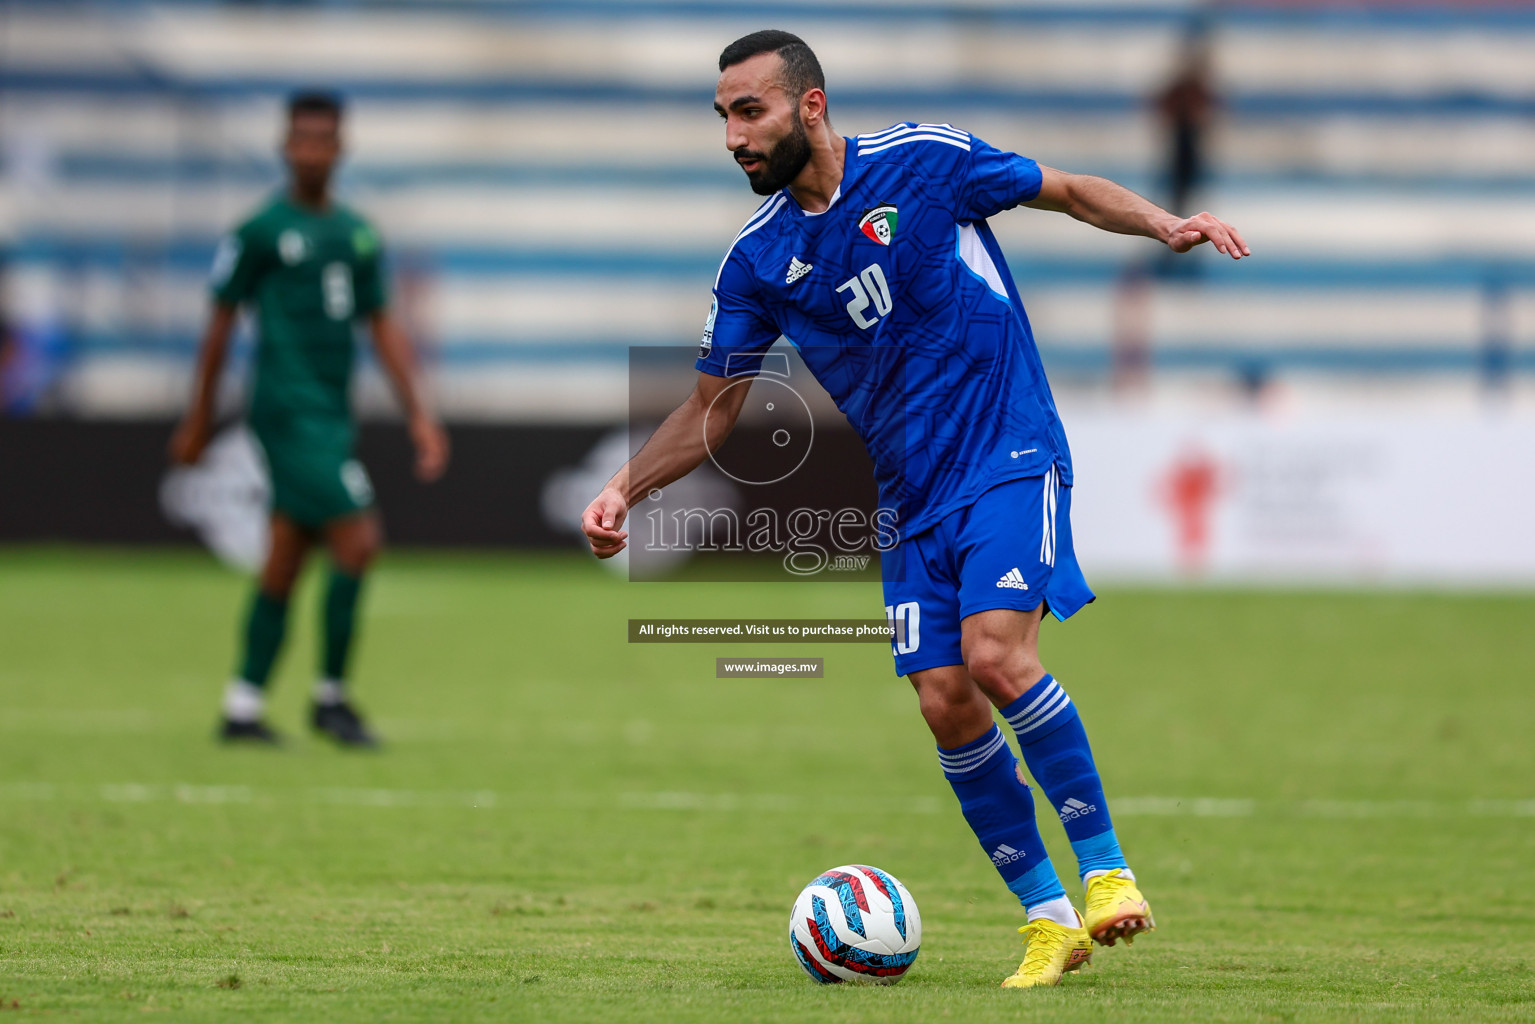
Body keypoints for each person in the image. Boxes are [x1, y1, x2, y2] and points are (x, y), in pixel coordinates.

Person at [583, 31, 1251, 987]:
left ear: (809, 106)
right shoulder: (759, 259)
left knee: (994, 654)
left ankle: (1105, 873)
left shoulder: (923, 162)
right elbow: (713, 410)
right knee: (945, 701)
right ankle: (1049, 921)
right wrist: (623, 488)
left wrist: (1163, 223)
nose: (732, 135)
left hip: (1006, 446)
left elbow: (1061, 188)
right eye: (722, 116)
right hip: (908, 497)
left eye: (748, 111)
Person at [170, 91, 449, 747]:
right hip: (285, 409)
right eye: (301, 138)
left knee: (287, 556)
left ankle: (241, 707)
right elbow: (218, 325)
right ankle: (331, 697)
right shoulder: (259, 231)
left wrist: (419, 414)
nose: (312, 150)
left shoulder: (355, 234)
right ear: (284, 147)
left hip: (330, 410)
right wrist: (198, 417)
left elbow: (381, 325)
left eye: (323, 139)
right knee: (358, 539)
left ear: (340, 149)